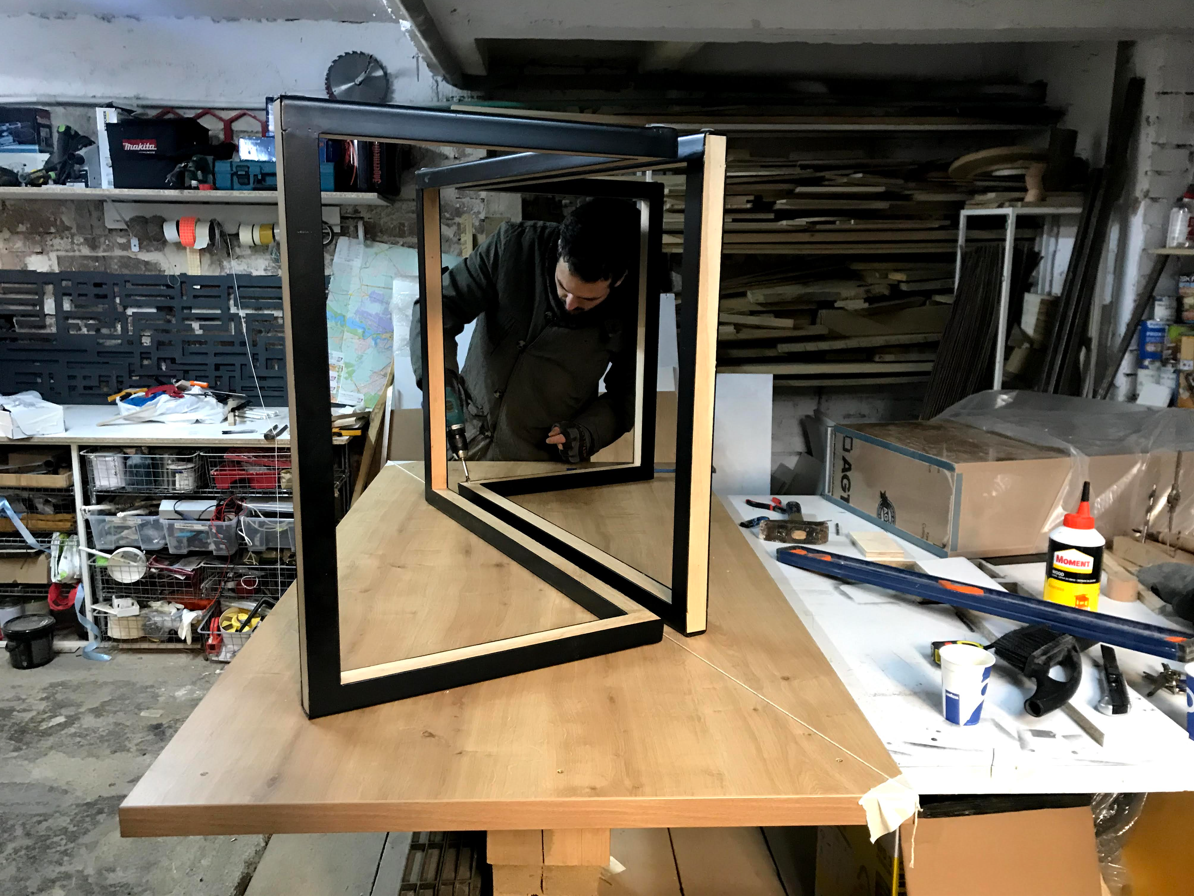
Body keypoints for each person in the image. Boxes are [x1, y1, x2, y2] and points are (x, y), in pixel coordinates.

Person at [411, 198, 641, 463]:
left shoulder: (634, 305)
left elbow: (626, 397)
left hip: (542, 463)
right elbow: (438, 307)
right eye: (563, 288)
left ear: (619, 279)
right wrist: (440, 382)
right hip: (464, 438)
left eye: (588, 300)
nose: (570, 304)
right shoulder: (513, 247)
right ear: (559, 250)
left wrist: (586, 434)